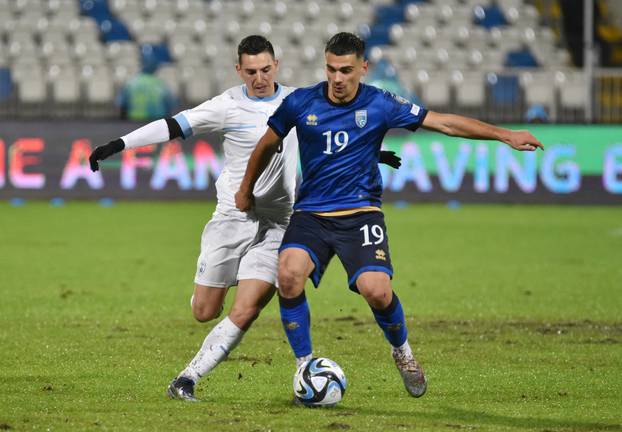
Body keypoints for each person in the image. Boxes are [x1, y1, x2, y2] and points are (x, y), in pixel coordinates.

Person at [89, 35, 401, 402]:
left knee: (247, 307)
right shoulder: (227, 105)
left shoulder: (300, 101)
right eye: (251, 71)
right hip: (232, 217)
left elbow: (335, 135)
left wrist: (373, 154)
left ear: (276, 66)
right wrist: (120, 144)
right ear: (239, 70)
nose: (259, 78)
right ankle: (222, 277)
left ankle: (186, 379)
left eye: (266, 69)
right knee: (205, 311)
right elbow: (174, 126)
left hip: (282, 222)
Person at [235, 32, 544, 399]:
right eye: (331, 69)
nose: (337, 79)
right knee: (288, 275)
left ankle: (403, 352)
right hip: (312, 213)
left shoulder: (381, 104)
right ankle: (305, 365)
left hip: (361, 213)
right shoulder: (301, 102)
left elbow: (443, 123)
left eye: (346, 70)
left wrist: (504, 135)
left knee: (377, 292)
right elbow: (267, 143)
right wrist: (245, 188)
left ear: (363, 68)